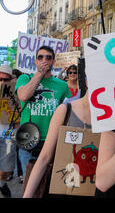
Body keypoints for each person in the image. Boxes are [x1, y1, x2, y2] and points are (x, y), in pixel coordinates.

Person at [22, 81, 91, 198]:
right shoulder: (65, 110)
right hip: (61, 187)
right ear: (87, 80)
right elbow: (44, 157)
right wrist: (27, 195)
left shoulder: (111, 120)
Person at [15, 46, 72, 175]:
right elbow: (23, 96)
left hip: (52, 141)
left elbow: (68, 111)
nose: (44, 60)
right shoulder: (24, 79)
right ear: (35, 61)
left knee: (47, 185)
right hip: (28, 141)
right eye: (40, 57)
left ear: (53, 61)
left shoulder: (62, 85)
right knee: (30, 183)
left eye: (48, 57)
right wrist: (40, 74)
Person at [0, 64, 15, 197]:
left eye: (5, 80)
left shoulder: (13, 95)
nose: (2, 82)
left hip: (8, 137)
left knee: (6, 169)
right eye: (0, 79)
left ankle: (2, 184)